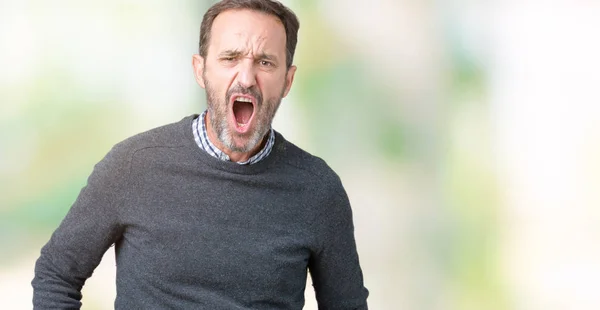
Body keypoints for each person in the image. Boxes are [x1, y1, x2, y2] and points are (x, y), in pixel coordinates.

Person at [31, 0, 369, 309]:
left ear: (287, 81)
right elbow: (56, 275)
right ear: (200, 70)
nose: (247, 78)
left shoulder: (318, 189)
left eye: (265, 62)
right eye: (230, 58)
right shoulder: (134, 165)